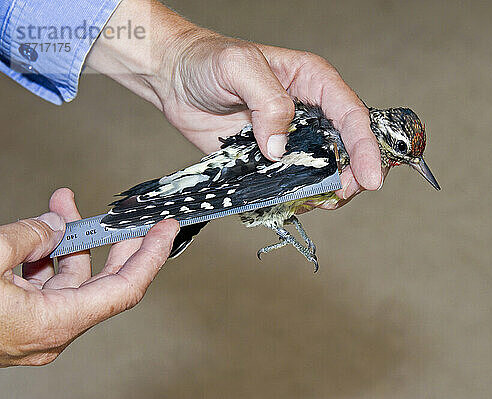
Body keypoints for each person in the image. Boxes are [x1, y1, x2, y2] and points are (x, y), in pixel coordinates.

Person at [0, 0, 382, 367]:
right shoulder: (325, 154)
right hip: (234, 174)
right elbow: (251, 188)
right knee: (251, 196)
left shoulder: (325, 145)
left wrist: (176, 55)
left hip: (239, 168)